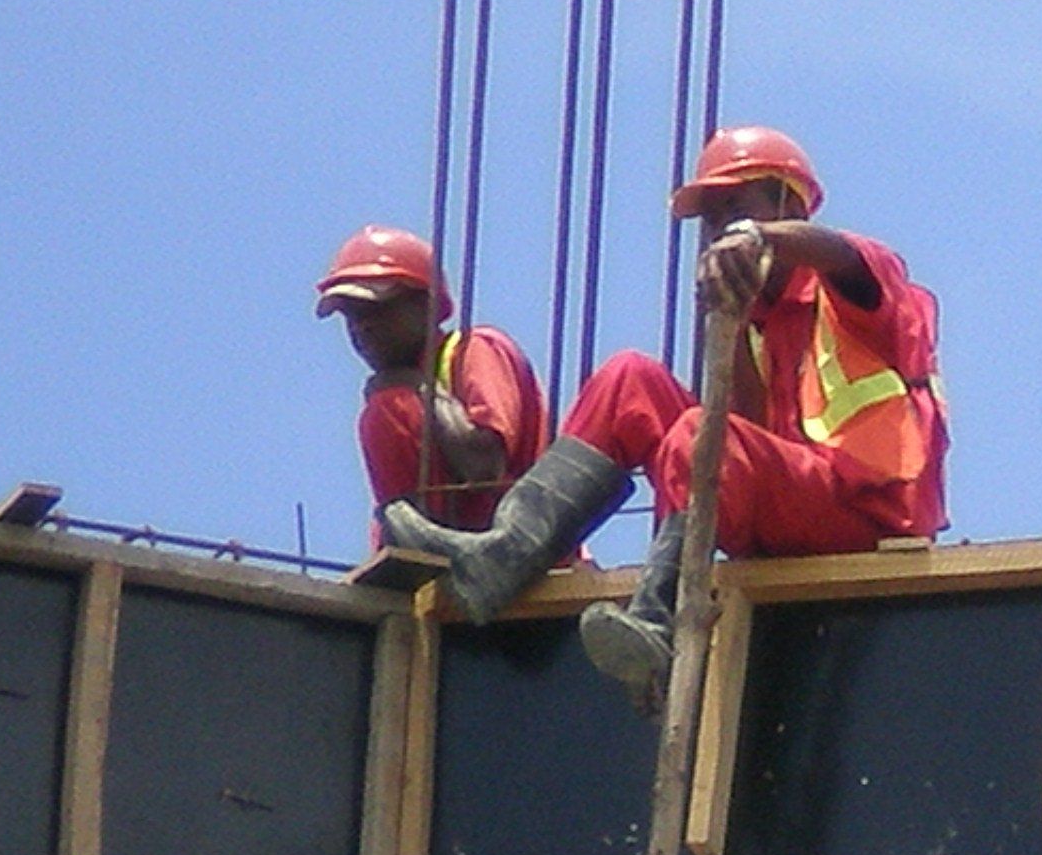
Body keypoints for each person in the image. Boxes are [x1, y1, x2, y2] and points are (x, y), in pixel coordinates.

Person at [384, 125, 949, 703]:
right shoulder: (758, 324)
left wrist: (761, 238)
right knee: (630, 379)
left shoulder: (849, 281)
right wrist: (724, 328)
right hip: (795, 503)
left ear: (786, 202)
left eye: (735, 205)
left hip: (871, 514)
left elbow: (845, 257)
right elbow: (746, 442)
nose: (718, 229)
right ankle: (504, 555)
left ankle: (656, 621)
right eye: (710, 219)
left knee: (696, 433)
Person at [315, 226, 545, 539]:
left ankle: (424, 549)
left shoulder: (473, 349)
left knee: (390, 408)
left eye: (376, 309)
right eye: (351, 315)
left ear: (428, 305)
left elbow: (484, 466)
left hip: (514, 543)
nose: (361, 327)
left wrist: (418, 387)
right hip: (453, 554)